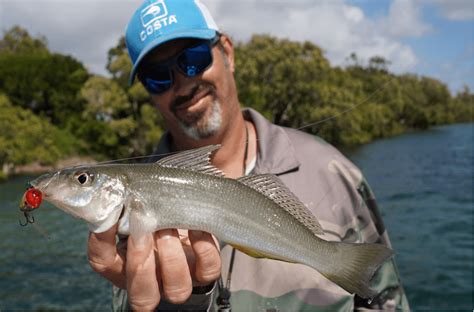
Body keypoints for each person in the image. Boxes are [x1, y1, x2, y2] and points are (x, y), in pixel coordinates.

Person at [87, 0, 410, 310]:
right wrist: (179, 305)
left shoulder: (333, 169)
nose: (183, 84)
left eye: (193, 58)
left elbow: (383, 303)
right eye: (158, 76)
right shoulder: (121, 227)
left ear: (226, 51)